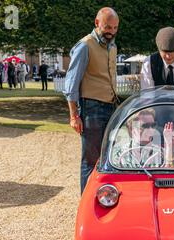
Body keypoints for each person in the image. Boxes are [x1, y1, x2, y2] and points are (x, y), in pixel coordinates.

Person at [64, 7, 120, 194]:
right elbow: (71, 85)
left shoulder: (112, 46)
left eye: (114, 28)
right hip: (92, 109)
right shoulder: (84, 46)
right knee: (90, 160)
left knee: (108, 158)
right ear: (97, 23)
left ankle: (104, 197)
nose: (111, 32)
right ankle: (87, 204)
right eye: (107, 27)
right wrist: (74, 116)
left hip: (111, 108)